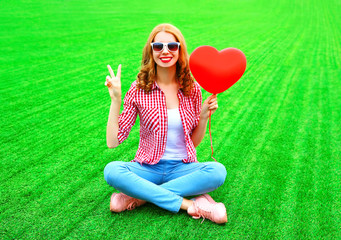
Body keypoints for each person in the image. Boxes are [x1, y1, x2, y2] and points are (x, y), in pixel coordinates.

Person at [103, 23, 227, 224]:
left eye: (172, 46)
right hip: (147, 168)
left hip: (182, 168)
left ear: (180, 50)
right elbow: (112, 142)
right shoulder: (138, 89)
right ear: (151, 51)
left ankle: (139, 196)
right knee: (112, 170)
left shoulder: (192, 89)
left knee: (218, 171)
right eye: (158, 46)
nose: (165, 51)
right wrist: (115, 99)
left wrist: (203, 116)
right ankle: (192, 205)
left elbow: (192, 143)